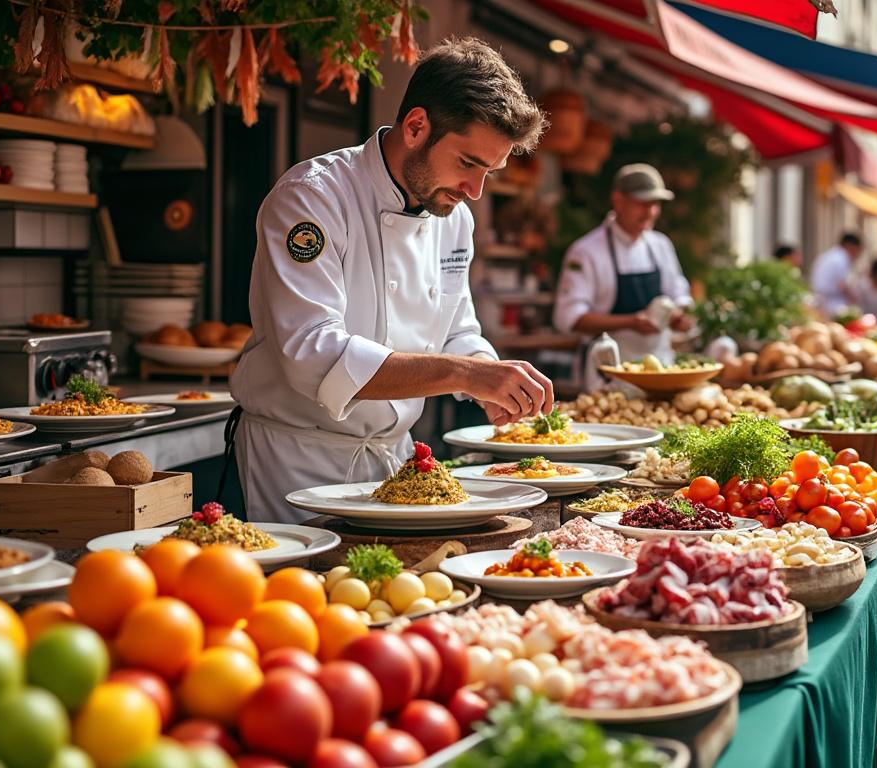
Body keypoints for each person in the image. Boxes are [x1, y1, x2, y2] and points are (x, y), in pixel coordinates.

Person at [229, 38, 552, 522]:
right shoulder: (313, 199)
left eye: (491, 172)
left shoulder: (453, 217)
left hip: (397, 464)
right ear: (417, 126)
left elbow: (457, 329)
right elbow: (312, 355)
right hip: (298, 462)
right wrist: (464, 374)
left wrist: (490, 380)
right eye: (468, 163)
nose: (476, 191)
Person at [553, 164, 694, 390]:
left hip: (660, 368)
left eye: (655, 204)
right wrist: (630, 322)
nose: (650, 212)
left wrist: (680, 316)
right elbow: (568, 318)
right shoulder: (586, 251)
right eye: (642, 203)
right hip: (609, 372)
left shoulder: (661, 246)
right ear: (618, 200)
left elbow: (679, 294)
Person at [810, 232, 863, 316]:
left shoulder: (829, 255)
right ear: (851, 246)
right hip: (834, 305)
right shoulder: (841, 258)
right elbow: (843, 285)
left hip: (820, 301)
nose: (858, 255)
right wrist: (855, 299)